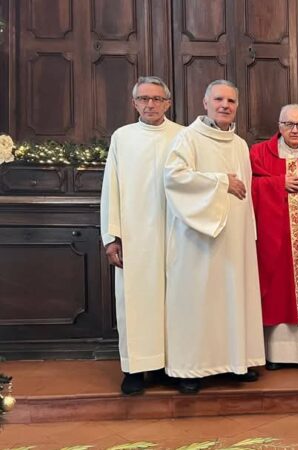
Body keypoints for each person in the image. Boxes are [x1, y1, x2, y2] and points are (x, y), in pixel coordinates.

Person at [163, 80, 265, 393]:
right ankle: (190, 369)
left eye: (231, 101)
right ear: (205, 102)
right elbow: (174, 177)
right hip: (198, 237)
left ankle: (236, 362)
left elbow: (245, 191)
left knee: (233, 296)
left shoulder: (239, 144)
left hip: (234, 238)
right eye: (219, 99)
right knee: (197, 300)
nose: (225, 105)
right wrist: (221, 182)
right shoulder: (188, 138)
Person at [100, 76, 183, 395]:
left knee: (173, 303)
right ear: (134, 103)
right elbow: (112, 189)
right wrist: (111, 236)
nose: (150, 104)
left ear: (168, 103)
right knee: (135, 302)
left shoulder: (183, 136)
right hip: (135, 236)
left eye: (157, 99)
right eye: (144, 99)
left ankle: (168, 366)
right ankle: (135, 368)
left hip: (176, 234)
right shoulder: (123, 137)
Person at [250, 104, 298, 370]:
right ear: (279, 125)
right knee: (275, 289)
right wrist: (277, 183)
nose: (294, 130)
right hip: (272, 237)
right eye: (289, 124)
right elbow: (248, 186)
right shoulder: (258, 153)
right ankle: (274, 355)